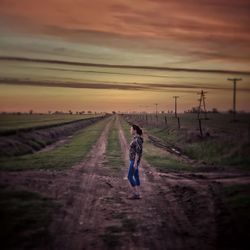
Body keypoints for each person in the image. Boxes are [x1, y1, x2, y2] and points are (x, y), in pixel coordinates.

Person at [128, 124, 143, 199]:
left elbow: (138, 152)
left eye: (131, 129)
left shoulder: (137, 139)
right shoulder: (136, 138)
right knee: (136, 176)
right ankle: (138, 193)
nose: (130, 130)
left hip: (134, 161)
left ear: (135, 130)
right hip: (133, 160)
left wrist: (135, 163)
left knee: (129, 177)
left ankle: (136, 194)